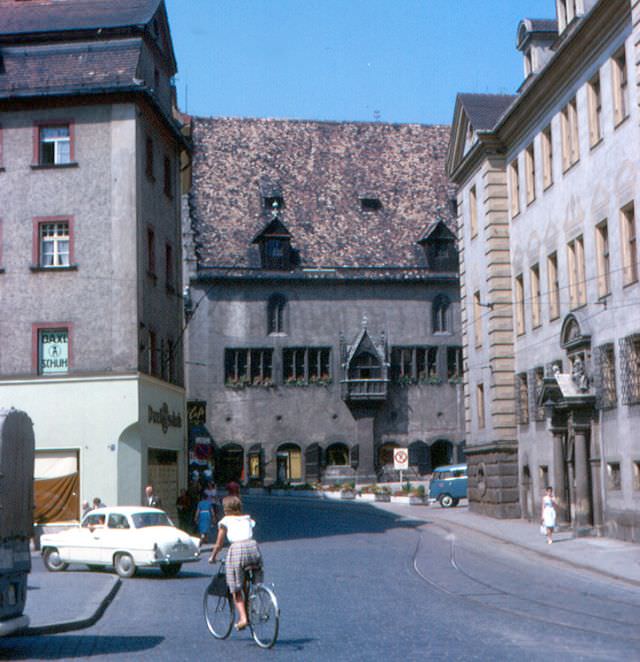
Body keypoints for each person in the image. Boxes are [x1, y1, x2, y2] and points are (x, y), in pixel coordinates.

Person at [208, 496, 262, 631]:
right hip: (253, 547)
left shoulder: (225, 521)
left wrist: (213, 557)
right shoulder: (247, 519)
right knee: (248, 581)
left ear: (226, 509)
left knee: (235, 588)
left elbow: (219, 544)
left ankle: (243, 618)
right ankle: (252, 600)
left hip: (237, 549)